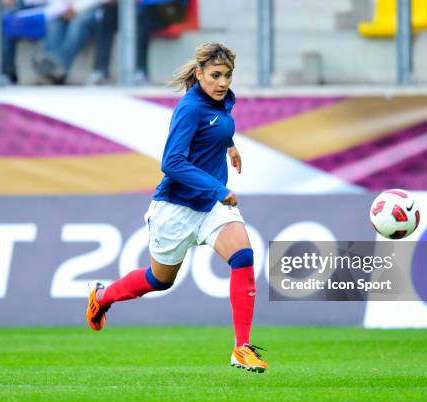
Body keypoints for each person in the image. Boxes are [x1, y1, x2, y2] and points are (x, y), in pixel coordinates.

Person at [86, 42, 268, 373]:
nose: (223, 82)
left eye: (227, 75)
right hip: (176, 208)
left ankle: (241, 348)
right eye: (215, 76)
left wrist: (230, 146)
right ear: (199, 74)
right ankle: (103, 296)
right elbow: (172, 162)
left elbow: (216, 127)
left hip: (211, 207)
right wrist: (217, 186)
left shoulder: (223, 101)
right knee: (160, 280)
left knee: (243, 257)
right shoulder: (189, 108)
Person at [33, 0, 115, 84]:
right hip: (63, 10)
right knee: (54, 26)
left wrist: (76, 8)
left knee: (78, 25)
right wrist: (62, 8)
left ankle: (55, 68)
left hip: (91, 9)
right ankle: (53, 71)